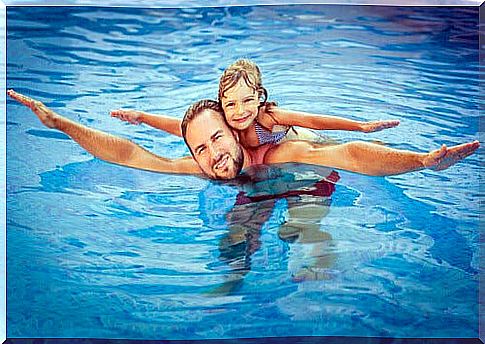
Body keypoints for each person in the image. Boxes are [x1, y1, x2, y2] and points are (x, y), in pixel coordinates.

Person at [7, 90, 479, 181]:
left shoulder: (273, 151)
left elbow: (351, 153)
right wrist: (61, 124)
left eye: (218, 139)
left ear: (236, 131)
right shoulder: (196, 165)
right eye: (201, 147)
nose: (213, 155)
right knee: (236, 244)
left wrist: (420, 161)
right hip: (250, 198)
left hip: (304, 177)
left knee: (306, 223)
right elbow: (128, 153)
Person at [111, 59, 400, 147]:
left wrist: (360, 128)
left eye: (247, 100)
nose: (240, 111)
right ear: (221, 103)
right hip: (270, 156)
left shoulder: (268, 117)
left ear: (259, 97)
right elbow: (183, 128)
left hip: (306, 139)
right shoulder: (225, 119)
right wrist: (142, 116)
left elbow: (311, 121)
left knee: (340, 149)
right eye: (231, 104)